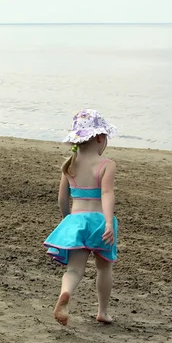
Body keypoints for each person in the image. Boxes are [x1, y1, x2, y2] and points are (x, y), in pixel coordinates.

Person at [43, 109, 118, 326]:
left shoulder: (70, 164)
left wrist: (68, 221)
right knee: (104, 267)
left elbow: (62, 199)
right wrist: (107, 222)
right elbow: (106, 194)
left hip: (76, 221)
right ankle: (103, 311)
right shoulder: (106, 165)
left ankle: (65, 293)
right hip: (99, 222)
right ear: (99, 138)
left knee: (74, 269)